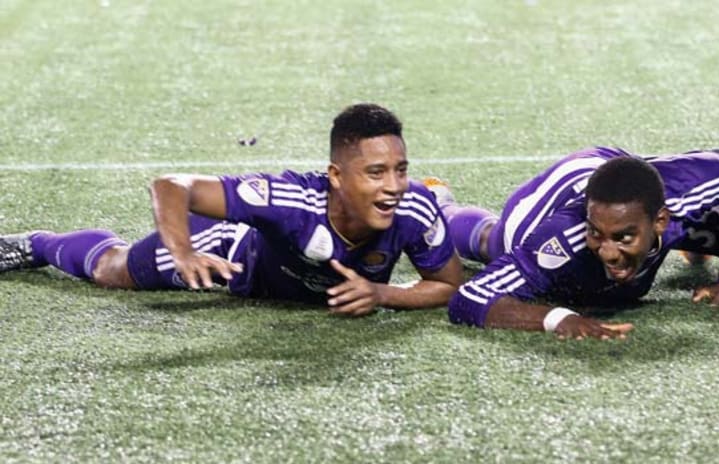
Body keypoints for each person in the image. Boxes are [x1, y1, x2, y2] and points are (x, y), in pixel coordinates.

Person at [0, 103, 463, 316]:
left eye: (401, 171)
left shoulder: (413, 209)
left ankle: (451, 209)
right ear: (336, 176)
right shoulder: (289, 200)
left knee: (430, 219)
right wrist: (183, 252)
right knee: (111, 270)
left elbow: (447, 285)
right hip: (235, 259)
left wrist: (384, 295)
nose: (394, 187)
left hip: (308, 286)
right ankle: (38, 244)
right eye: (376, 173)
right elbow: (171, 186)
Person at [425, 146, 719, 339]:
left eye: (621, 237)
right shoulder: (561, 238)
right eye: (598, 235)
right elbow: (469, 298)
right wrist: (557, 318)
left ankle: (683, 240)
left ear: (660, 218)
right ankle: (442, 205)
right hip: (554, 200)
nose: (606, 251)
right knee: (499, 241)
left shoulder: (683, 191)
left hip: (617, 173)